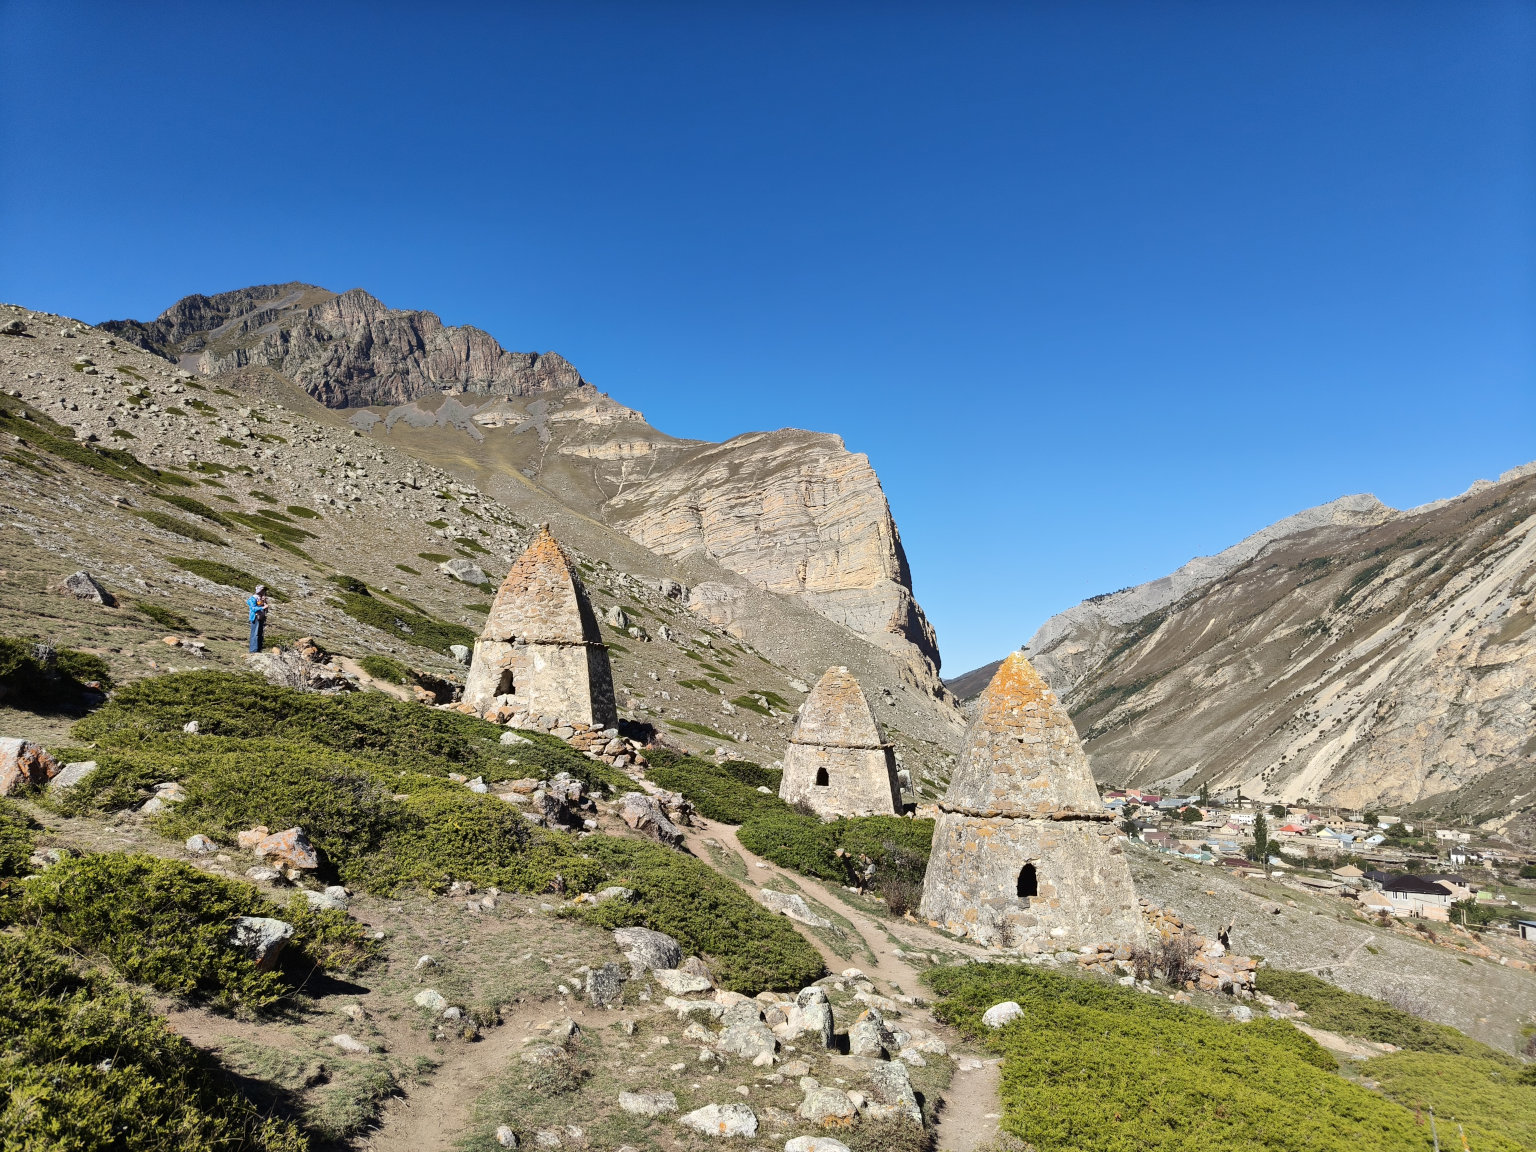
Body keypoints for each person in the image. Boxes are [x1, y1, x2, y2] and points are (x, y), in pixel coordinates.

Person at [247, 585, 270, 653]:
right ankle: (253, 650)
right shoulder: (253, 598)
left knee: (260, 634)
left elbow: (266, 609)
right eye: (262, 590)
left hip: (261, 617)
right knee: (255, 633)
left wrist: (264, 603)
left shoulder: (262, 599)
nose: (264, 592)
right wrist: (262, 607)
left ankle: (259, 649)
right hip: (256, 617)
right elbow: (253, 608)